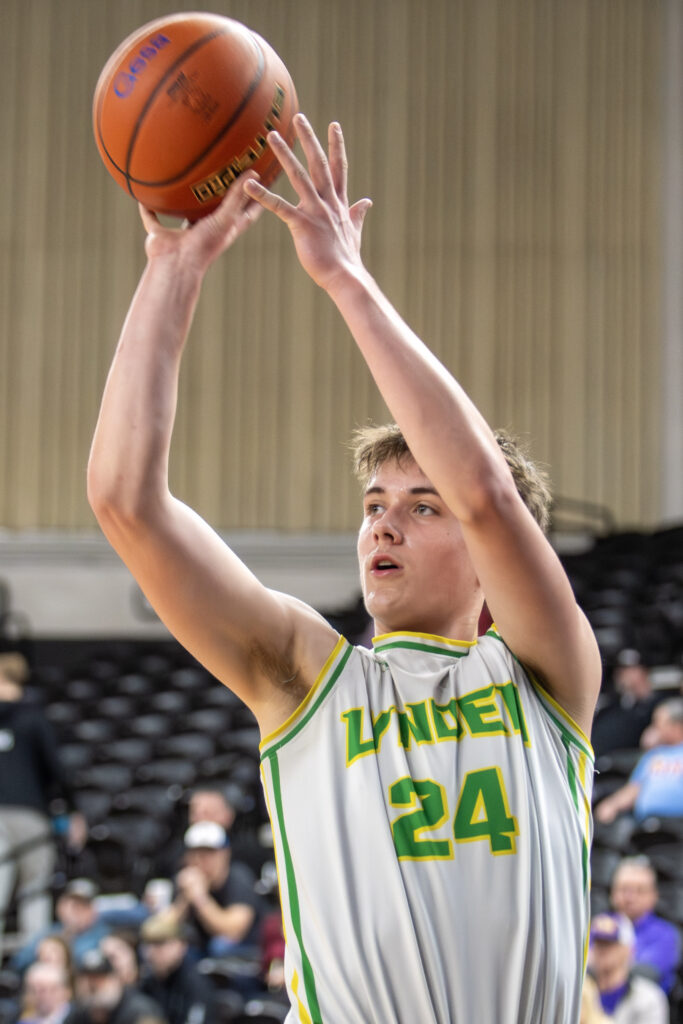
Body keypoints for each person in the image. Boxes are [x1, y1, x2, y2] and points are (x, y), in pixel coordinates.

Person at [87, 113, 602, 1023]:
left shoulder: (544, 677)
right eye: (372, 507)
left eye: (418, 506)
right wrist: (171, 273)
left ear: (485, 554)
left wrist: (343, 277)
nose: (382, 527)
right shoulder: (305, 677)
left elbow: (483, 488)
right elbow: (126, 501)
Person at [0, 652, 87, 945]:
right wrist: (74, 811)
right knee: (34, 895)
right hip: (31, 817)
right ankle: (34, 967)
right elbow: (57, 770)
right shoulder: (33, 716)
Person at [172, 822, 261, 958]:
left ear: (225, 854)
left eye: (208, 854)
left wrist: (200, 899)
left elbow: (234, 931)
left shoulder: (238, 878)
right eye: (195, 853)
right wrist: (184, 900)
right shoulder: (186, 879)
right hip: (202, 947)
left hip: (248, 949)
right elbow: (160, 929)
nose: (200, 860)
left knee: (220, 946)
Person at [594, 698, 683, 824]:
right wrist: (612, 804)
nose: (654, 729)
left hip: (678, 825)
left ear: (677, 726)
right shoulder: (653, 755)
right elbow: (635, 787)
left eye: (658, 723)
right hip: (646, 825)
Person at [609, 855, 681, 993]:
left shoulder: (665, 934)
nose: (630, 898)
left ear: (654, 896)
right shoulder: (600, 925)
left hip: (639, 1004)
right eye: (624, 889)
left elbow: (646, 974)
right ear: (612, 893)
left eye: (640, 891)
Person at [13, 880, 111, 974]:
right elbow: (18, 963)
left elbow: (86, 963)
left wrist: (67, 939)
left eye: (83, 906)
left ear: (93, 910)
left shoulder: (103, 934)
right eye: (73, 905)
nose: (76, 911)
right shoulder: (50, 931)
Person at [588, 912, 669, 1022]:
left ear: (629, 949)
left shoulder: (648, 998)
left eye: (609, 944)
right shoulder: (582, 992)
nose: (602, 950)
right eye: (598, 943)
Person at [138, 912, 214, 1024]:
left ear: (181, 945)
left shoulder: (196, 985)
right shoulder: (148, 982)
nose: (151, 952)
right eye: (147, 944)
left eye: (159, 944)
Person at [64, 949, 165, 1024]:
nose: (93, 986)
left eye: (99, 979)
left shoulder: (140, 1010)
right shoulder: (81, 1011)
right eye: (87, 979)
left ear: (116, 980)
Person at [591, 649, 659, 759]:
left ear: (643, 672)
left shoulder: (658, 705)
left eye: (628, 670)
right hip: (606, 763)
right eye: (619, 670)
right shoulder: (611, 707)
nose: (621, 675)